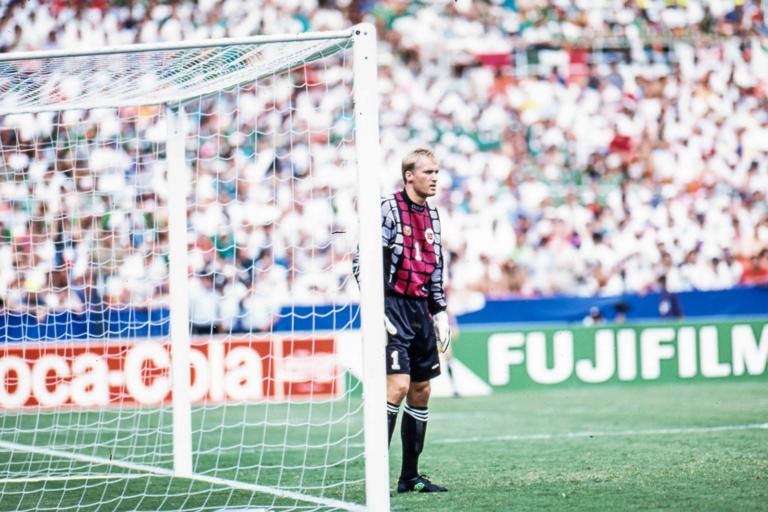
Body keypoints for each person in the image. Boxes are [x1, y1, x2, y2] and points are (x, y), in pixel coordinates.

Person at [358, 148, 451, 493]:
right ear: (409, 176)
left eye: (436, 172)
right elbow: (364, 260)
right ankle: (376, 475)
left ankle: (409, 477)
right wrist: (376, 305)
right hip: (392, 304)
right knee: (397, 386)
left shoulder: (433, 215)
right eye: (428, 172)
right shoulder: (388, 208)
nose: (435, 178)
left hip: (420, 309)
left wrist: (439, 310)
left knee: (421, 390)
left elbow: (435, 265)